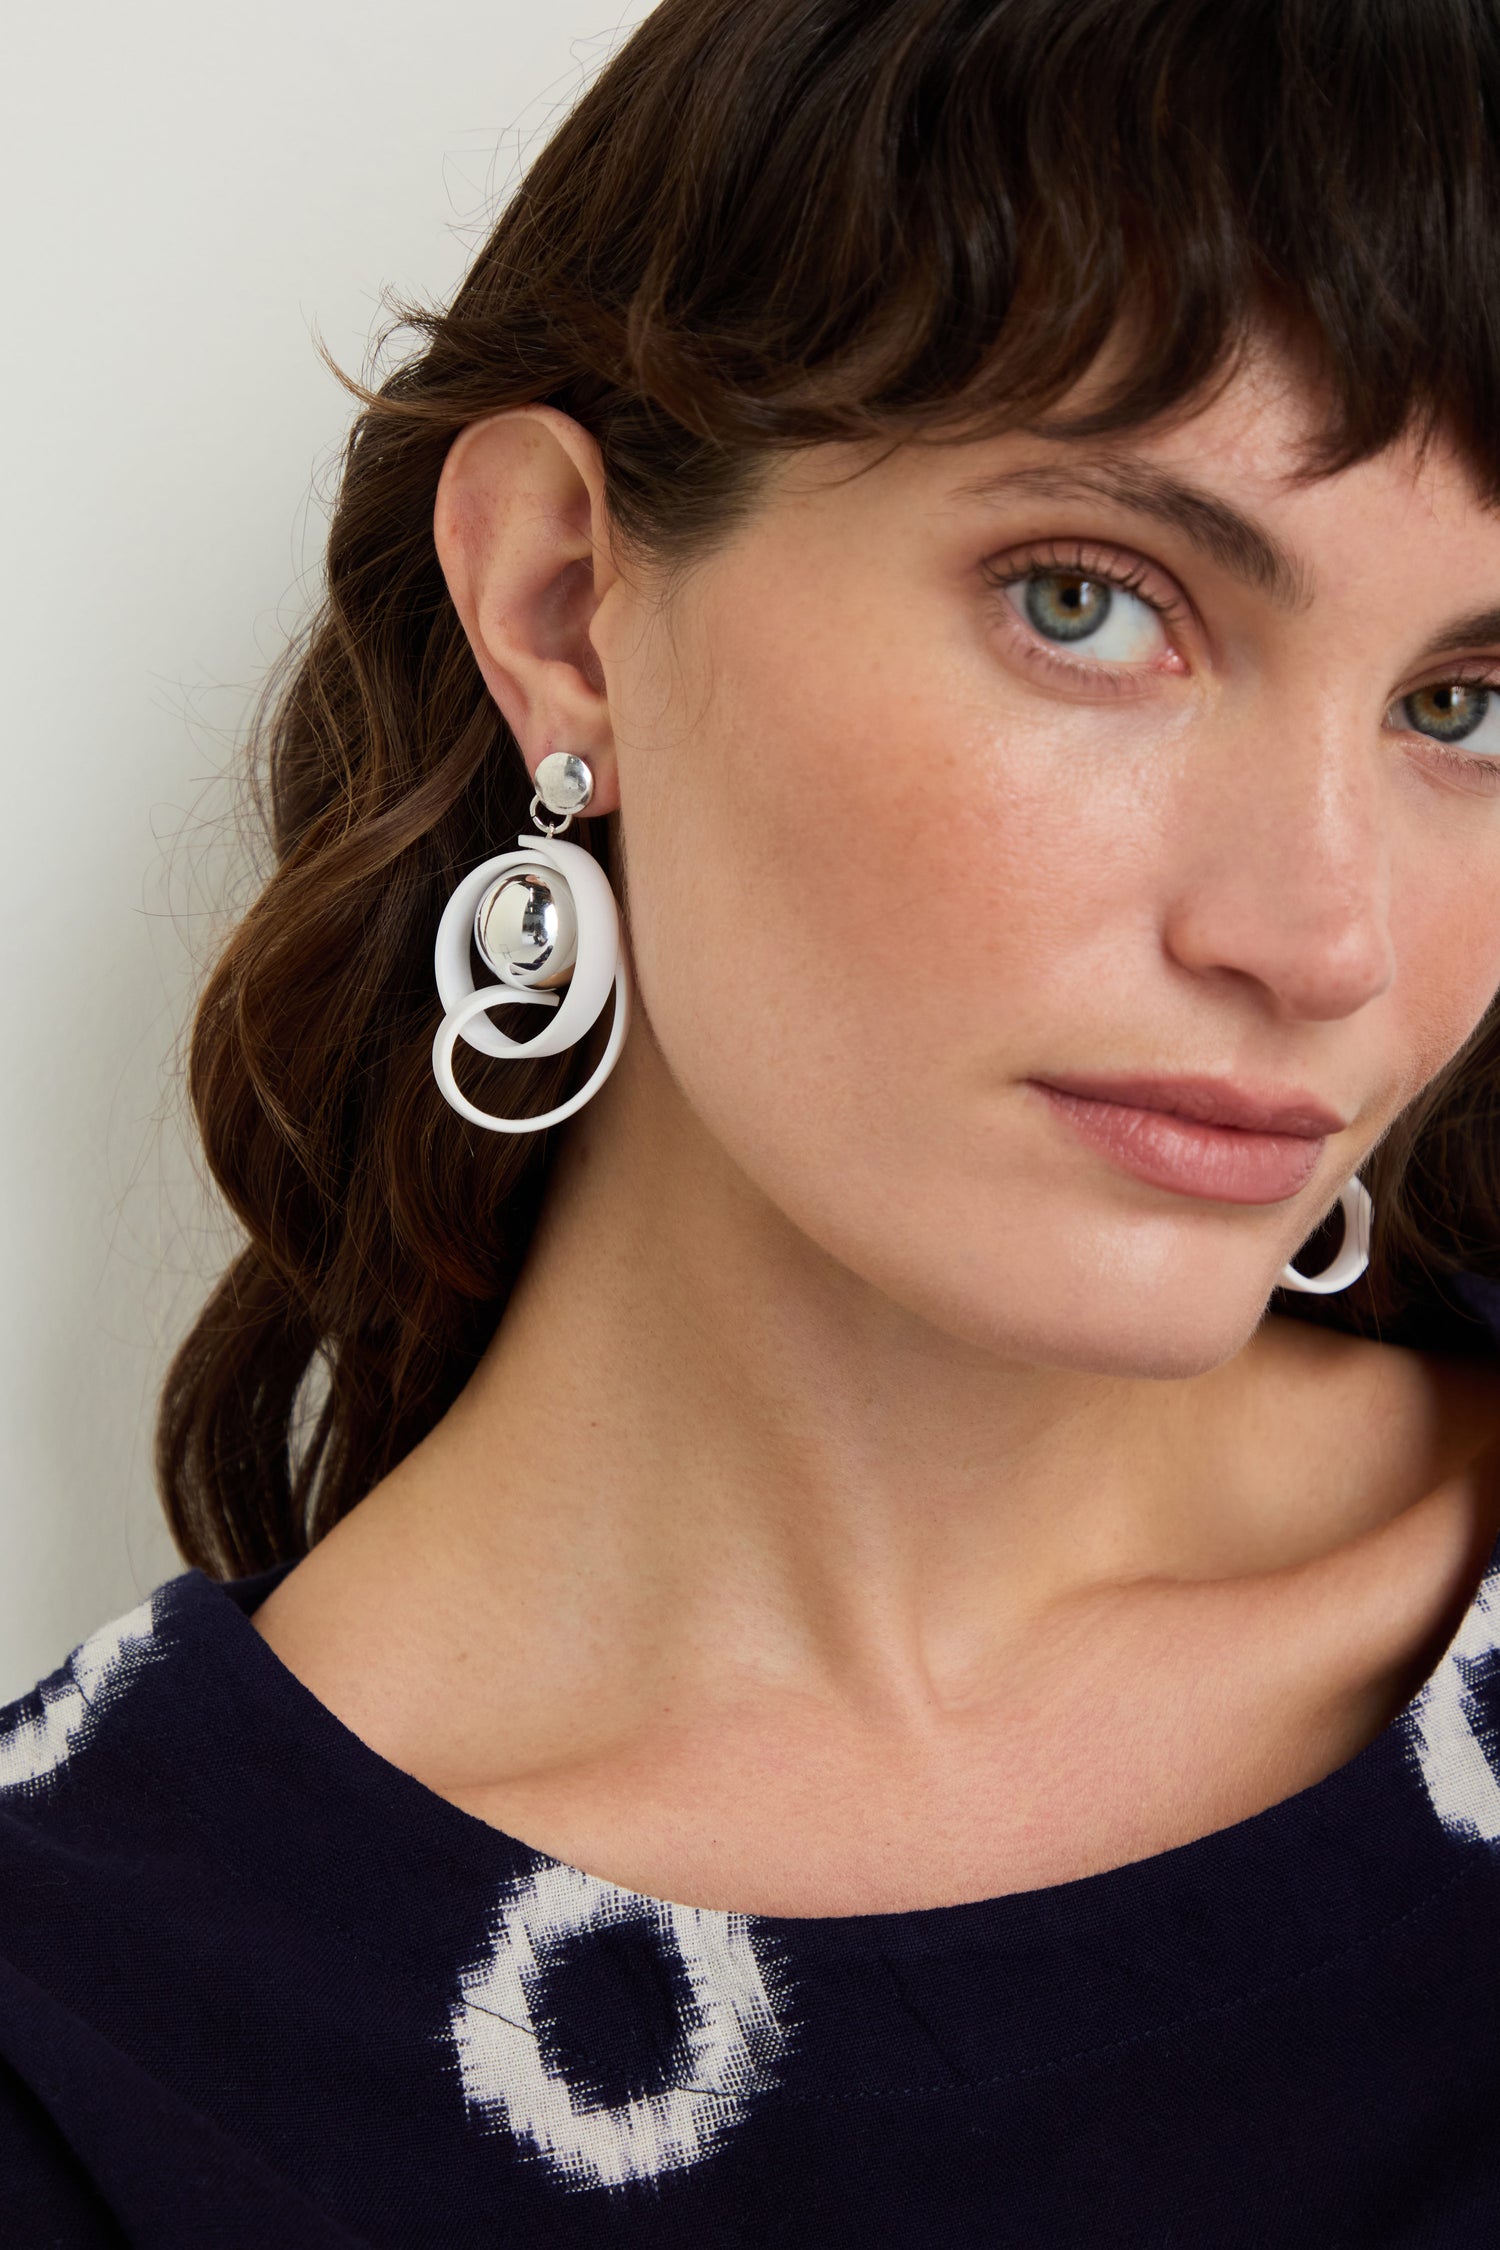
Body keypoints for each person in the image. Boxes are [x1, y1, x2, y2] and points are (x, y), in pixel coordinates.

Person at [8, 0, 1500, 2238]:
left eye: (1469, 703)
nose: (1322, 938)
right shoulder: (88, 2053)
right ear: (565, 608)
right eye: (1090, 604)